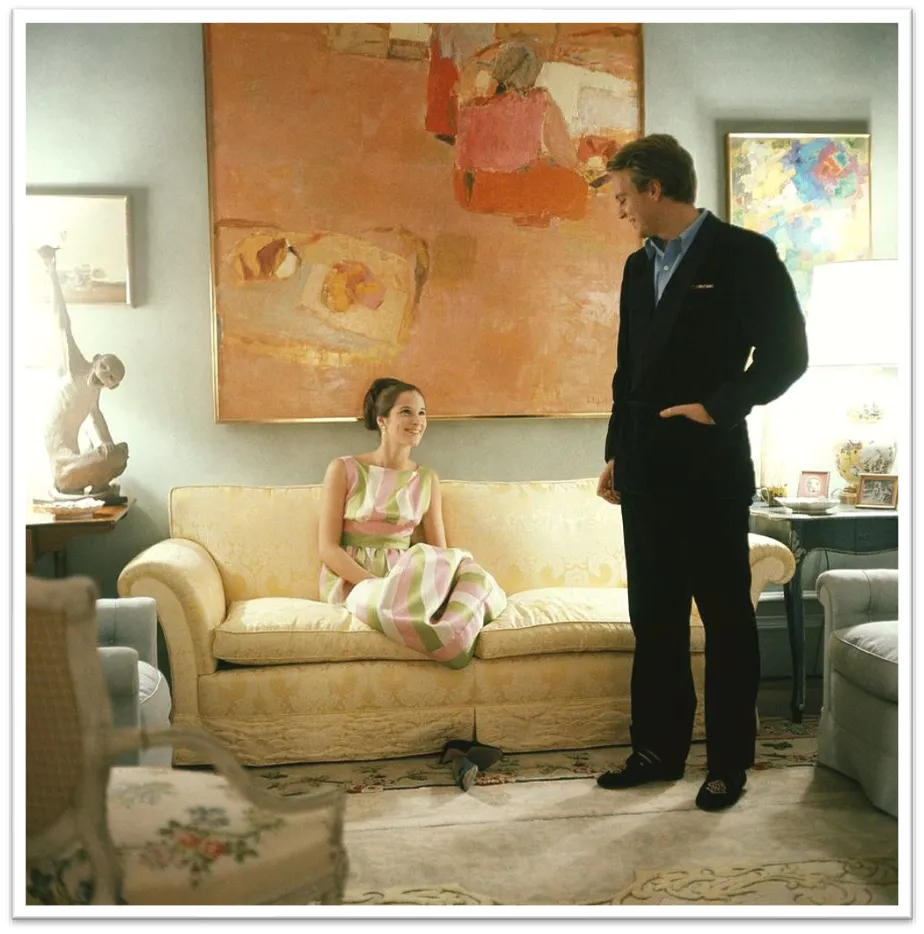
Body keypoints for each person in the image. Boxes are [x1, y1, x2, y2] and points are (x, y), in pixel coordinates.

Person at [594, 134, 809, 810]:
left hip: (709, 469)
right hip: (643, 470)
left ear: (655, 189)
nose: (621, 210)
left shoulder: (746, 255)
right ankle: (656, 751)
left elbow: (788, 356)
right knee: (654, 619)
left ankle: (727, 766)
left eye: (624, 197)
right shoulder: (637, 268)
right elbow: (627, 370)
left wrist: (719, 406)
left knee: (725, 619)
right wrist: (615, 452)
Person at [318, 377, 506, 789]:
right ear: (382, 420)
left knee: (472, 571)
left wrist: (437, 582)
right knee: (437, 620)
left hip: (409, 575)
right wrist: (377, 586)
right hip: (356, 584)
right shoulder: (343, 469)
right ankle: (453, 646)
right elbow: (328, 548)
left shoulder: (427, 478)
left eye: (422, 413)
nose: (417, 420)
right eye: (406, 411)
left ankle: (458, 626)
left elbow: (439, 551)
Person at [38, 245, 129, 501]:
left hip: (74, 456)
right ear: (97, 359)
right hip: (61, 461)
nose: (104, 373)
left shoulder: (95, 393)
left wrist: (108, 443)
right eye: (104, 365)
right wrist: (51, 272)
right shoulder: (76, 365)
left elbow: (96, 417)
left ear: (112, 385)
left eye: (111, 376)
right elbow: (62, 324)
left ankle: (97, 485)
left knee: (120, 454)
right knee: (109, 456)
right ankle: (85, 482)